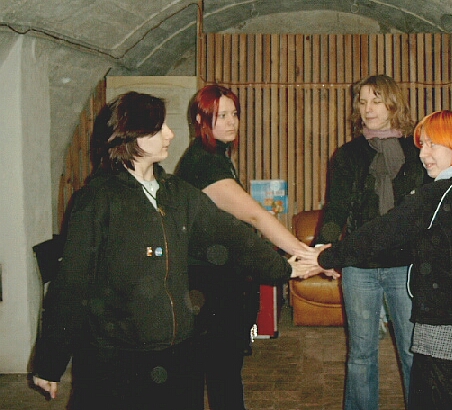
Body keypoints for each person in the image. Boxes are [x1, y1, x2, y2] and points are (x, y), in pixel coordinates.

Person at [32, 91, 306, 410]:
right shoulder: (96, 201)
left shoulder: (178, 194)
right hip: (115, 361)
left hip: (179, 357)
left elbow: (233, 237)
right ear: (129, 135)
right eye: (158, 128)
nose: (170, 134)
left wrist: (285, 268)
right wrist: (50, 362)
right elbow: (70, 285)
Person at [302, 110, 452, 410]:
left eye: (432, 144)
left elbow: (382, 233)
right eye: (422, 145)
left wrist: (326, 257)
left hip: (447, 329)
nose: (423, 154)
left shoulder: (442, 194)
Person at [176, 84, 316, 410]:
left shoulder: (215, 156)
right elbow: (255, 215)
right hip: (207, 284)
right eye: (221, 115)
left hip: (213, 280)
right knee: (220, 371)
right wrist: (305, 254)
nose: (231, 122)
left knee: (220, 370)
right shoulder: (206, 164)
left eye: (234, 114)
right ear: (200, 120)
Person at [314, 74, 427, 408]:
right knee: (361, 354)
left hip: (406, 266)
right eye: (362, 102)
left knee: (413, 352)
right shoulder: (348, 154)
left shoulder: (418, 152)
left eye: (376, 101)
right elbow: (336, 207)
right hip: (359, 267)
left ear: (393, 104)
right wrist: (324, 247)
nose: (368, 109)